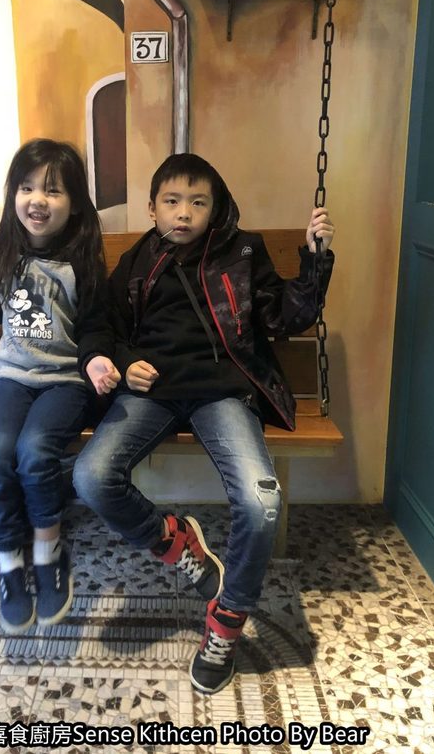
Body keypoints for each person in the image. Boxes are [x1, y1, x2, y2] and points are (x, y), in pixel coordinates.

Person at [73, 152, 335, 694]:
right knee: (91, 477)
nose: (184, 213)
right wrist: (121, 360)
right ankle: (176, 543)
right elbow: (102, 323)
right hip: (154, 392)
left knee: (261, 505)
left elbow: (285, 317)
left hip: (224, 394)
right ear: (153, 208)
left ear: (215, 209)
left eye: (198, 202)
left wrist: (315, 261)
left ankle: (225, 622)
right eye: (172, 201)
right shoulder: (138, 260)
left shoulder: (243, 252)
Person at [0, 139, 120, 635]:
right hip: (13, 382)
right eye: (27, 188)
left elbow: (95, 326)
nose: (38, 200)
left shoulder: (81, 263)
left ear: (74, 203)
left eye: (53, 191)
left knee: (35, 452)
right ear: (13, 195)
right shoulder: (7, 254)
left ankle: (47, 552)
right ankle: (9, 566)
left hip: (65, 384)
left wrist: (97, 360)